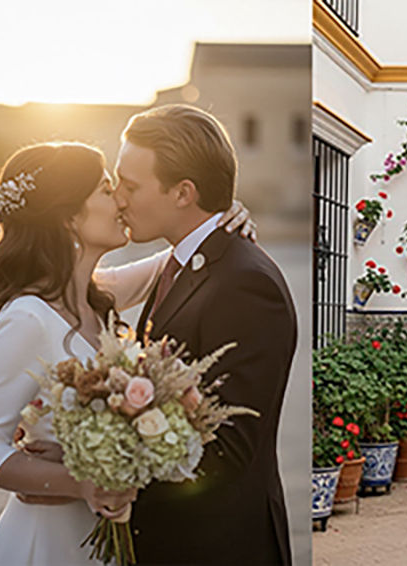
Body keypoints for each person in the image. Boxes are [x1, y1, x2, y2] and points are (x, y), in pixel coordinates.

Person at [111, 104, 298, 565]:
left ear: (183, 193)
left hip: (217, 546)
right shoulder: (180, 263)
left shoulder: (245, 283)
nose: (118, 197)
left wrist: (106, 453)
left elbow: (228, 448)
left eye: (130, 186)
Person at [0, 142, 141, 565]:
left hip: (98, 539)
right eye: (104, 189)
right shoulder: (28, 318)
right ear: (67, 218)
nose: (119, 199)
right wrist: (80, 482)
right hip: (47, 542)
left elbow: (181, 254)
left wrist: (229, 217)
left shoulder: (98, 297)